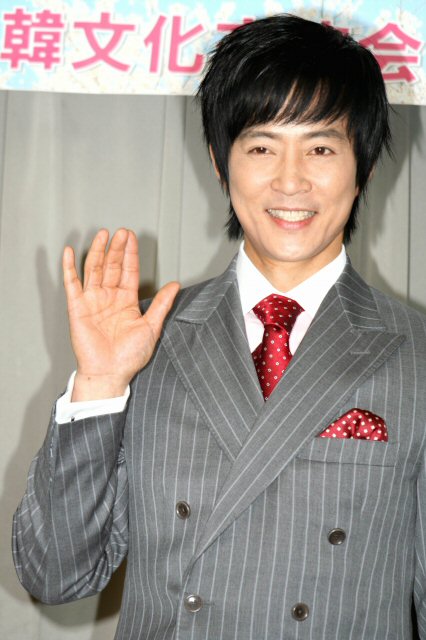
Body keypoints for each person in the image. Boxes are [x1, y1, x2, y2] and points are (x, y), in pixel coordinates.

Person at [12, 13, 426, 640]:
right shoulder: (147, 342)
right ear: (219, 162)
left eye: (320, 148)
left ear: (363, 166)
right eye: (261, 147)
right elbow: (55, 575)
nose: (290, 180)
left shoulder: (416, 355)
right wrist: (99, 384)